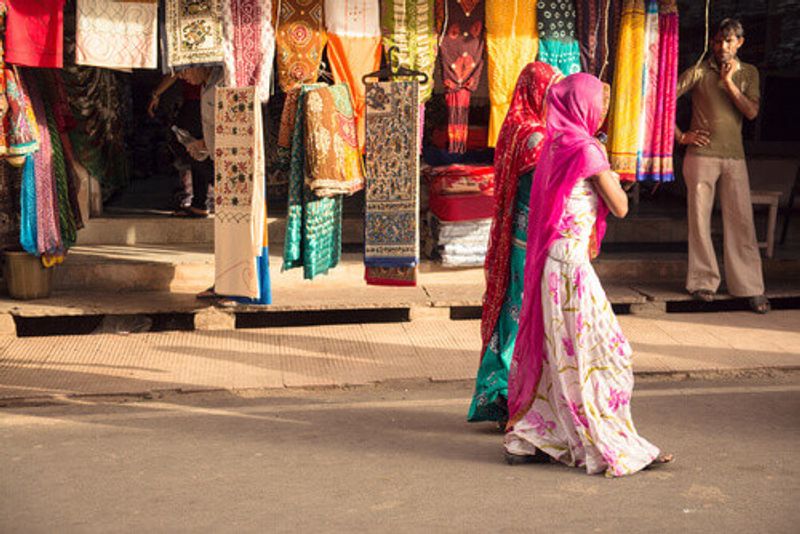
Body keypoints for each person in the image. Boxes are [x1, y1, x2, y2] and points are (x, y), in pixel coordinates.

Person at [502, 73, 673, 476]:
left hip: (550, 266)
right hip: (572, 269)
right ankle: (609, 441)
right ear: (585, 107)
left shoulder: (554, 145)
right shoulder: (586, 149)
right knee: (604, 353)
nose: (602, 114)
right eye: (600, 106)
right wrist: (610, 171)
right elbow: (620, 207)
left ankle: (531, 437)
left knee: (558, 355)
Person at [468, 62, 563, 426]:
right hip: (529, 239)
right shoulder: (536, 135)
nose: (553, 100)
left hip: (511, 235)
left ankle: (498, 396)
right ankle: (509, 399)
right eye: (550, 92)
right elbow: (544, 189)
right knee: (521, 316)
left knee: (509, 312)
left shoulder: (512, 125)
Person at [675, 18, 769, 314]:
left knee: (742, 222)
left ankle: (750, 288)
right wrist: (681, 136)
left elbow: (751, 112)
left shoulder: (748, 73)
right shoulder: (699, 71)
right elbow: (662, 102)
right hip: (700, 157)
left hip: (735, 157)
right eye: (717, 41)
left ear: (740, 42)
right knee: (699, 222)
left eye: (729, 41)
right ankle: (703, 283)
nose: (722, 46)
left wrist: (728, 82)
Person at [172, 67, 223, 218]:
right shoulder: (205, 85)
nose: (181, 76)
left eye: (184, 70)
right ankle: (200, 203)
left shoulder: (222, 84)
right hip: (212, 146)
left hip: (222, 148)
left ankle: (204, 201)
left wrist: (205, 143)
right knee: (194, 155)